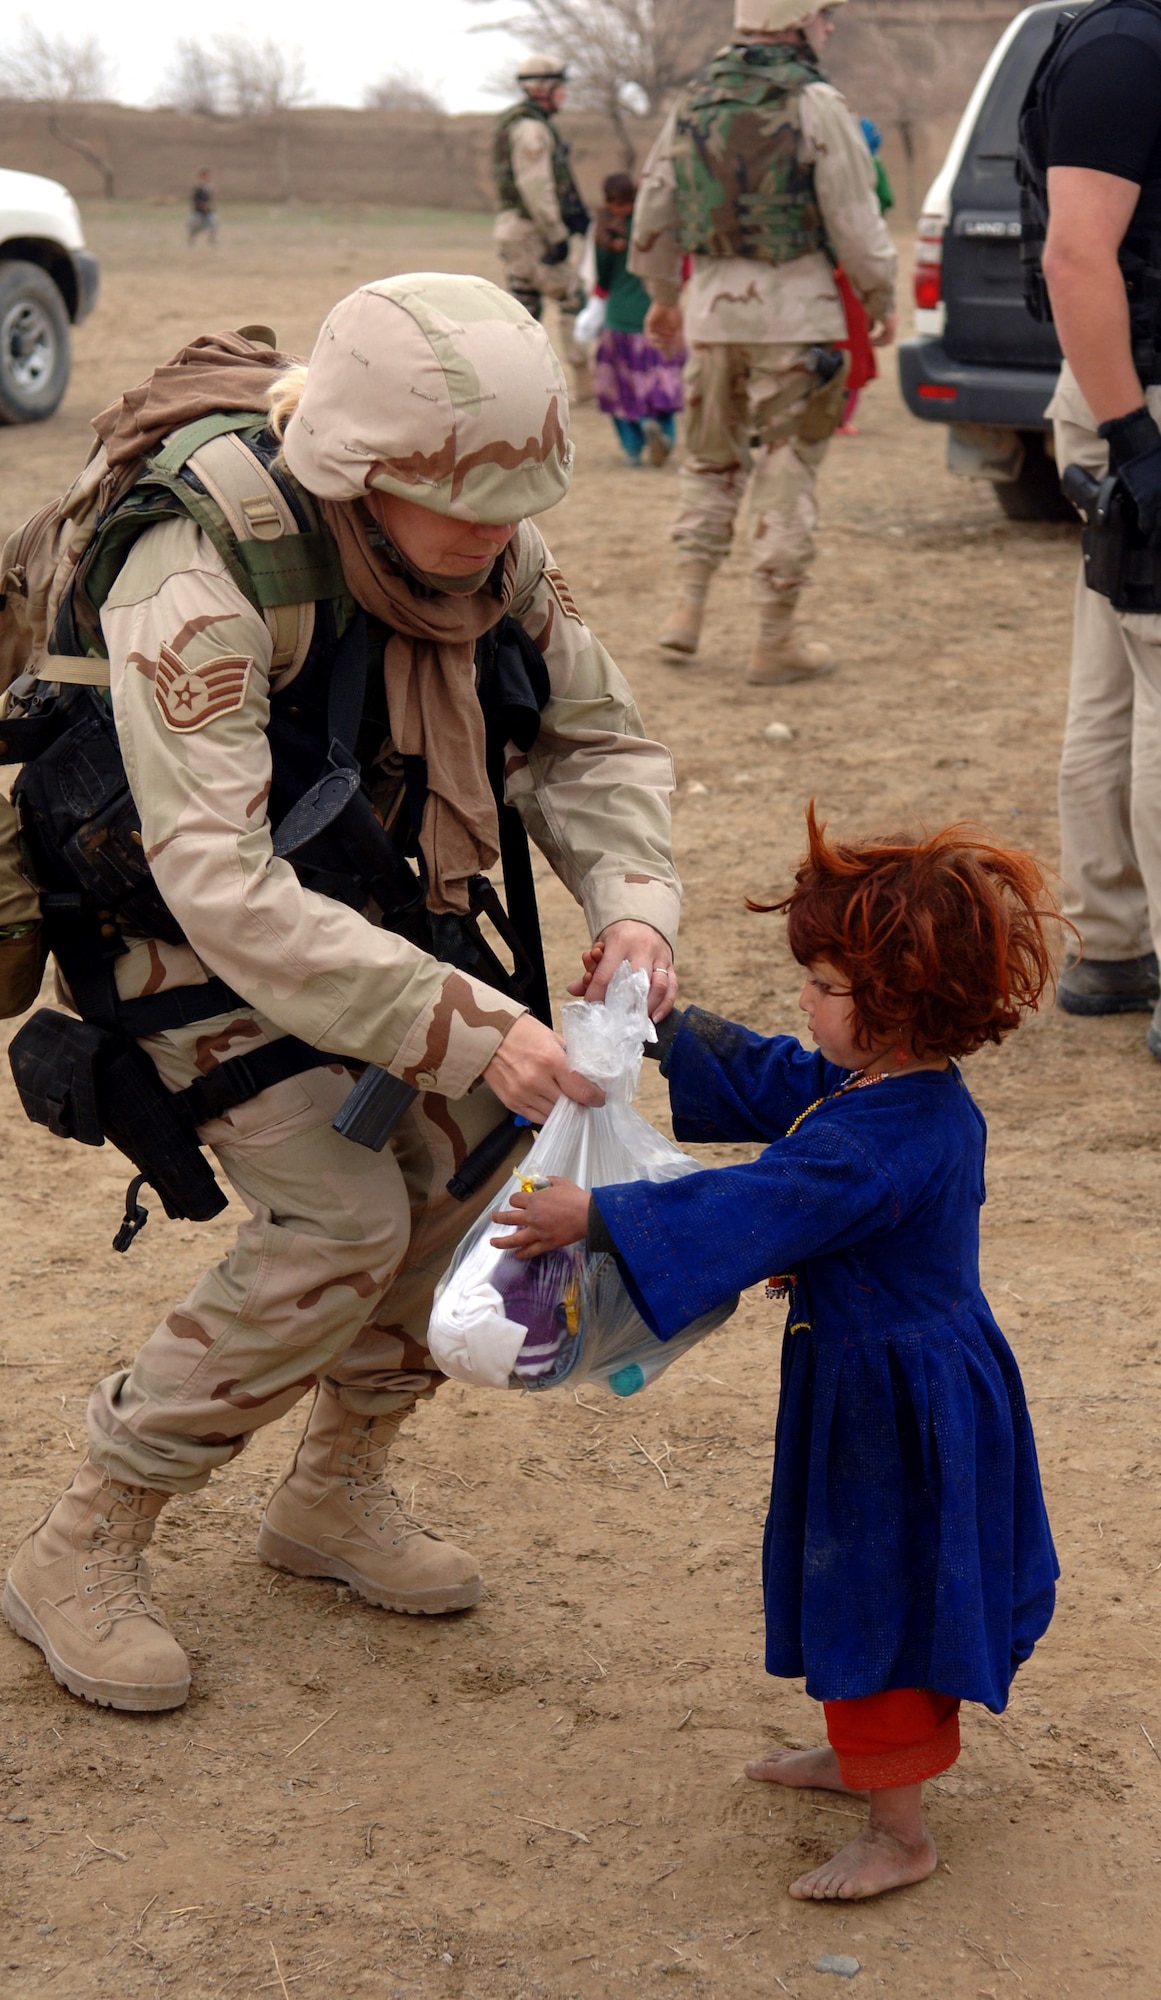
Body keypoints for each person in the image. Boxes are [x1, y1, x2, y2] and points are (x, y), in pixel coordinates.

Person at [2, 274, 680, 1714]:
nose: (502, 539)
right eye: (471, 510)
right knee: (345, 1212)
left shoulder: (482, 532)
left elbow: (594, 742)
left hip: (364, 899)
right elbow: (220, 885)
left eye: (519, 503)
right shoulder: (199, 570)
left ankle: (334, 1493)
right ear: (361, 479)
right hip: (175, 924)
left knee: (483, 1169)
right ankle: (81, 1541)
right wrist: (465, 1024)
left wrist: (632, 910)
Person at [494, 809, 1060, 1901]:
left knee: (881, 1590)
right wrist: (658, 1025)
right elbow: (776, 1082)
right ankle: (862, 1758)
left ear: (898, 1003)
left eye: (827, 985)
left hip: (897, 1406)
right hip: (890, 1379)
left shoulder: (877, 1141)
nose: (805, 1001)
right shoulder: (890, 1089)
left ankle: (900, 1829)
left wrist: (599, 1216)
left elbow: (763, 1196)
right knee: (859, 1572)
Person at [629, 0, 897, 686]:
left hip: (714, 313)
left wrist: (663, 297)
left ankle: (685, 612)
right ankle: (773, 640)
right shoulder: (816, 102)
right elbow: (853, 214)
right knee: (785, 465)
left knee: (708, 460)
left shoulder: (692, 101)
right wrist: (878, 297)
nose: (829, 27)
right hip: (794, 317)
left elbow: (654, 201)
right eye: (823, 15)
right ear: (798, 21)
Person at [1017, 0, 1161, 1044]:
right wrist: (1136, 436)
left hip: (1129, 395)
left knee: (1113, 675)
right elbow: (1076, 255)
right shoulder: (1126, 48)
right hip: (1142, 396)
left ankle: (1112, 943)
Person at [492, 54, 593, 401]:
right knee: (572, 300)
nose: (565, 95)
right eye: (561, 88)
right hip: (533, 231)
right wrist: (556, 234)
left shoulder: (522, 123)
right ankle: (586, 384)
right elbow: (536, 187)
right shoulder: (532, 129)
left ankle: (516, 386)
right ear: (545, 89)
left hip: (515, 228)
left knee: (523, 307)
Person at [587, 172, 685, 469]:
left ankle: (633, 446)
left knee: (620, 387)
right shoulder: (656, 226)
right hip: (657, 314)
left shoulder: (607, 232)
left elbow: (602, 278)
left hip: (619, 317)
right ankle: (661, 432)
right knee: (661, 382)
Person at [836, 120, 895, 436]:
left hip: (830, 272)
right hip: (851, 271)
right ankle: (841, 417)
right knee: (854, 342)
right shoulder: (869, 171)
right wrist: (885, 306)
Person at [188, 169, 218, 248]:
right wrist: (200, 205)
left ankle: (212, 242)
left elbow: (210, 199)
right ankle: (191, 243)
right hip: (198, 211)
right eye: (205, 176)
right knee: (194, 227)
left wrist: (210, 207)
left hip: (207, 211)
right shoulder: (198, 187)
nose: (207, 178)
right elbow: (195, 199)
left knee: (214, 224)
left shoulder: (209, 187)